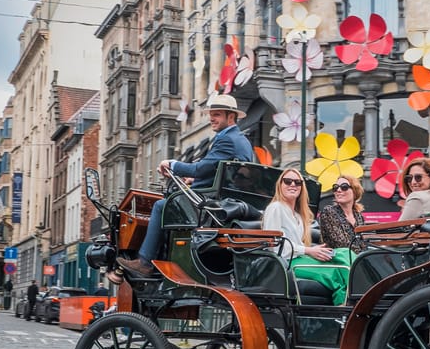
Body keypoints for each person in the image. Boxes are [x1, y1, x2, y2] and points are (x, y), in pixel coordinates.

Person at [117, 94, 255, 277]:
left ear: (231, 117)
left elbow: (200, 168)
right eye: (211, 114)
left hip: (213, 204)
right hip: (227, 201)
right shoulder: (242, 140)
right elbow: (218, 171)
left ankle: (145, 262)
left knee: (161, 206)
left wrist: (172, 164)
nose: (211, 118)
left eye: (217, 115)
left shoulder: (226, 139)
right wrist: (193, 181)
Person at [262, 168, 354, 305]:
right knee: (335, 273)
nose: (292, 185)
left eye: (297, 182)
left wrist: (315, 250)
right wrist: (309, 251)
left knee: (344, 253)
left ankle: (358, 295)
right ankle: (345, 310)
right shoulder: (276, 208)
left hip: (300, 257)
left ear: (301, 187)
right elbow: (275, 245)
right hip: (285, 263)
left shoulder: (299, 215)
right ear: (280, 185)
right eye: (287, 181)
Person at [318, 175, 365, 253]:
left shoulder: (358, 216)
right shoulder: (329, 212)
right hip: (338, 261)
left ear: (355, 191)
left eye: (344, 187)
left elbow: (363, 242)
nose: (339, 190)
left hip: (357, 260)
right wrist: (363, 254)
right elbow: (341, 244)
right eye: (335, 187)